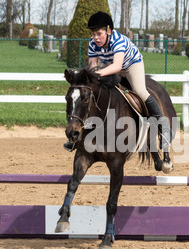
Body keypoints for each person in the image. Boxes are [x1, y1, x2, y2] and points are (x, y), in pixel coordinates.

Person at [63, 11, 170, 153]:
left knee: (140, 91)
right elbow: (92, 66)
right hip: (111, 67)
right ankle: (80, 137)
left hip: (131, 66)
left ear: (108, 30)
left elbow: (117, 66)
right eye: (93, 34)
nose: (95, 37)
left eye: (99, 33)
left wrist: (97, 74)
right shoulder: (92, 43)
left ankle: (163, 130)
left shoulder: (118, 40)